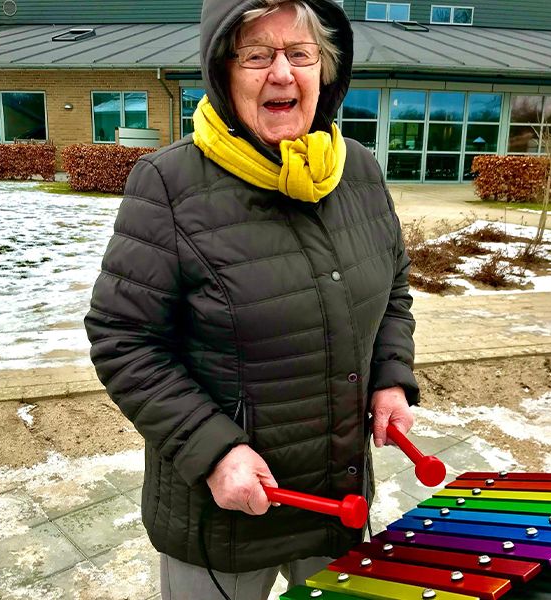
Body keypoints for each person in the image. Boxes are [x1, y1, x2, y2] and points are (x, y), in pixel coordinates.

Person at [84, 0, 419, 598]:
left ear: (327, 71)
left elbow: (393, 288)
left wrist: (390, 377)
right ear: (223, 73)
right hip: (225, 514)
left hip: (335, 504)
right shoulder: (170, 184)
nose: (282, 74)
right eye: (257, 56)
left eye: (300, 54)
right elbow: (124, 339)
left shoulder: (359, 172)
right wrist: (214, 453)